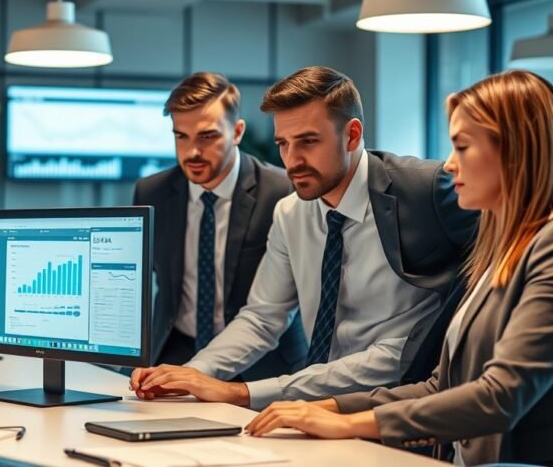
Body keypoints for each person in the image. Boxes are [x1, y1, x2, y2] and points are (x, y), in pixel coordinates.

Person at [245, 70, 553, 467]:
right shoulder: (505, 246)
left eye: (462, 147)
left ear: (516, 151)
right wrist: (328, 407)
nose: (448, 165)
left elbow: (500, 397)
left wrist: (348, 425)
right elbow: (440, 386)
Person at [131, 66, 477, 410]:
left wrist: (241, 393)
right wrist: (192, 375)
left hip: (404, 401)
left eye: (309, 141)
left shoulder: (425, 190)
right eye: (283, 144)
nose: (292, 161)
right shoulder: (290, 213)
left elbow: (504, 251)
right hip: (318, 404)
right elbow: (263, 318)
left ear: (352, 136)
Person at [134, 72, 306, 380]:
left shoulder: (281, 192)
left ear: (237, 132)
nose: (192, 152)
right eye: (181, 136)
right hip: (175, 352)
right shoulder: (152, 193)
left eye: (207, 136)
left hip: (265, 362)